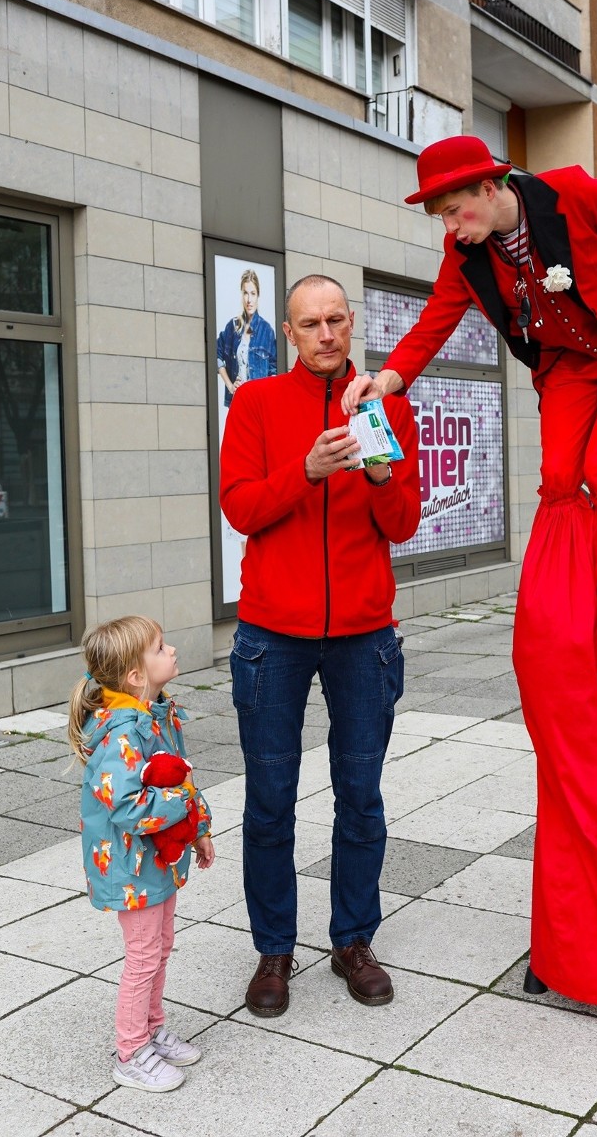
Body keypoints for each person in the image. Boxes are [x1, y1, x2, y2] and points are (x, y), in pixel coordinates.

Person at [342, 137, 597, 1026]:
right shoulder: (467, 257)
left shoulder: (574, 196)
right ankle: (567, 594)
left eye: (455, 208)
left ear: (491, 186)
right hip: (563, 370)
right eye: (443, 217)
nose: (449, 226)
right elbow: (435, 326)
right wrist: (390, 379)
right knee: (561, 483)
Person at [219, 273, 420, 1016]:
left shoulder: (387, 403)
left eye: (337, 319)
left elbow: (401, 523)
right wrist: (304, 472)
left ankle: (352, 940)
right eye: (310, 323)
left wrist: (374, 467)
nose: (326, 334)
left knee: (360, 798)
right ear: (292, 332)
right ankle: (274, 950)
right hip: (274, 634)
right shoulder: (257, 402)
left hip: (364, 635)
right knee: (270, 802)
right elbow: (240, 507)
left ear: (351, 323)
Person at [68, 616, 215, 1092]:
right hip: (130, 865)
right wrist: (187, 809)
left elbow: (180, 777)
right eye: (160, 647)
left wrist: (200, 828)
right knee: (143, 956)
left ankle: (152, 1029)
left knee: (160, 947)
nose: (171, 651)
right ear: (135, 675)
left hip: (154, 860)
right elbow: (132, 807)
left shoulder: (156, 715)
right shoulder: (121, 734)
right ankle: (130, 1051)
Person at [217, 267, 277, 405]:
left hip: (258, 403)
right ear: (241, 294)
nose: (249, 299)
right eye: (245, 293)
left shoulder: (267, 330)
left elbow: (273, 372)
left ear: (258, 295)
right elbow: (216, 354)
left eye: (253, 293)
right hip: (237, 402)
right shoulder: (232, 327)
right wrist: (230, 385)